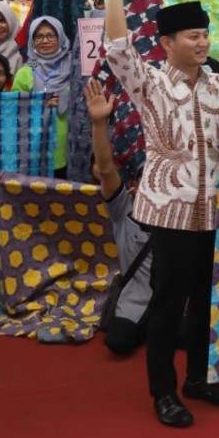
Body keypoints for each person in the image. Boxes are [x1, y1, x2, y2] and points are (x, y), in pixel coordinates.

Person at [104, 0, 219, 429]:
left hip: (215, 211)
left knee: (207, 301)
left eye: (205, 34)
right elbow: (118, 50)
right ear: (166, 43)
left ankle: (198, 379)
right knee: (165, 305)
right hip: (170, 211)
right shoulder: (151, 83)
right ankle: (163, 391)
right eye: (192, 36)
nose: (202, 42)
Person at [84, 79, 153, 355]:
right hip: (136, 300)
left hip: (174, 303)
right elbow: (106, 168)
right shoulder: (124, 210)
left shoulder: (184, 210)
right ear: (134, 185)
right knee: (118, 342)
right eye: (146, 178)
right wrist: (100, 123)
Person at [12, 17, 75, 177]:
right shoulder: (26, 71)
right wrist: (38, 105)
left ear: (60, 37)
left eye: (50, 35)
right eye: (38, 36)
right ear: (32, 41)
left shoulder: (75, 66)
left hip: (72, 147)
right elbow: (15, 110)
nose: (45, 41)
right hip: (37, 148)